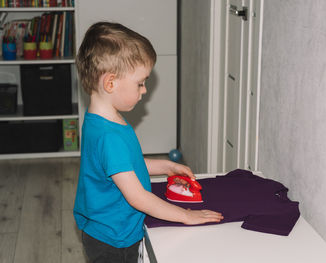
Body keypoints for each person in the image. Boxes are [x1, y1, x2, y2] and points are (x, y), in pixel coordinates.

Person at [73, 22, 223, 263]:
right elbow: (138, 197)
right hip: (113, 240)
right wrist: (186, 215)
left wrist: (165, 166)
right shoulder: (110, 136)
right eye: (140, 83)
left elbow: (123, 166)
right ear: (110, 83)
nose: (144, 90)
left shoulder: (100, 121)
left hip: (108, 229)